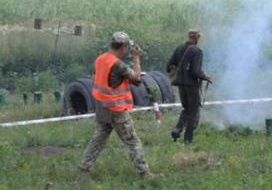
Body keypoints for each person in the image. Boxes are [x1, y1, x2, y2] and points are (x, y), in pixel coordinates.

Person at [78, 32, 153, 179]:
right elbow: (137, 79)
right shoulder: (117, 64)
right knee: (132, 142)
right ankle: (145, 174)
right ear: (124, 47)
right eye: (127, 48)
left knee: (97, 141)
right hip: (116, 110)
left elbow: (95, 79)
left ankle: (82, 172)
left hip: (101, 107)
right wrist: (136, 58)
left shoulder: (100, 59)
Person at [166, 29, 211, 143]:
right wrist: (204, 76)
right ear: (197, 37)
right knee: (193, 112)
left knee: (186, 109)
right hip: (192, 86)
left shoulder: (179, 48)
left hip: (181, 85)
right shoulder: (197, 51)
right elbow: (195, 71)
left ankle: (177, 129)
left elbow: (169, 66)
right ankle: (188, 139)